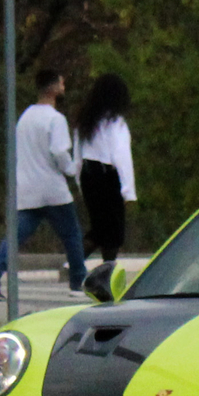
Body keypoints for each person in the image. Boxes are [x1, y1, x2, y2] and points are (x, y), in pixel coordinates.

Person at [0, 67, 88, 302]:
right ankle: (78, 281)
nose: (64, 86)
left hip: (28, 189)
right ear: (54, 88)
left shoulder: (26, 117)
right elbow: (59, 151)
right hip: (53, 190)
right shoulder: (55, 119)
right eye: (61, 83)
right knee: (71, 234)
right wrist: (71, 169)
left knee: (16, 236)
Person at [74, 72, 136, 263]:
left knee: (100, 228)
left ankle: (76, 263)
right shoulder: (116, 123)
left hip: (88, 175)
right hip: (107, 176)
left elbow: (77, 155)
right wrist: (128, 190)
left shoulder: (85, 122)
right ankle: (95, 267)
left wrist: (80, 182)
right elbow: (122, 157)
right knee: (113, 231)